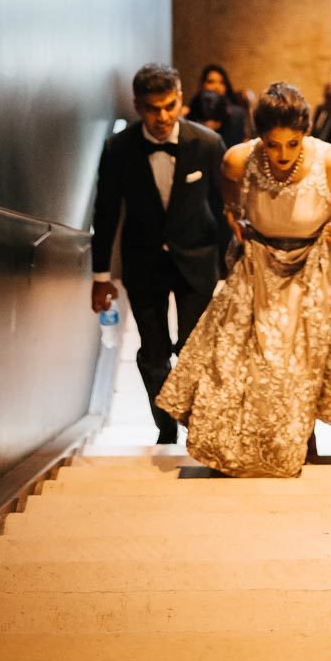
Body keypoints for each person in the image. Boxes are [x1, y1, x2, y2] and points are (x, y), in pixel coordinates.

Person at [157, 82, 331, 476]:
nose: (282, 154)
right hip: (259, 266)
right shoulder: (240, 158)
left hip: (313, 268)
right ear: (259, 136)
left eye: (292, 144)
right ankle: (251, 442)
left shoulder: (327, 159)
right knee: (250, 362)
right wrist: (235, 217)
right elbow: (228, 185)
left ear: (305, 135)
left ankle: (300, 439)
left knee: (306, 362)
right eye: (273, 144)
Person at [90, 63, 229, 444]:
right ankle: (165, 426)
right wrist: (100, 276)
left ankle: (198, 427)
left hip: (197, 261)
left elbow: (226, 208)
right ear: (138, 106)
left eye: (169, 106)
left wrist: (231, 266)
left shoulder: (208, 144)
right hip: (143, 264)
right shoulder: (119, 149)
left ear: (181, 99)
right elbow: (106, 212)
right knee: (153, 354)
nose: (162, 116)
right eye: (152, 108)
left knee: (193, 347)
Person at [187, 63, 250, 148]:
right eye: (211, 82)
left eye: (221, 82)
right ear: (203, 85)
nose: (216, 87)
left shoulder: (237, 114)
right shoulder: (193, 110)